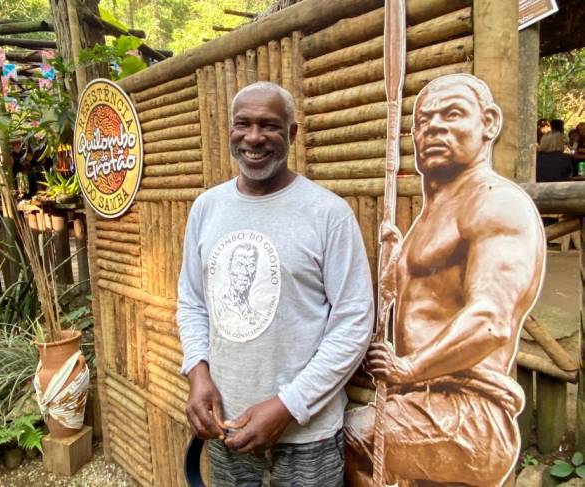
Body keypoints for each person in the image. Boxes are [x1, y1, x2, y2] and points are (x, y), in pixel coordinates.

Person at [343, 74, 545, 486]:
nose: (434, 127)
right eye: (424, 121)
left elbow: (490, 321)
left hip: (468, 412)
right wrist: (393, 276)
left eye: (452, 114)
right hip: (424, 403)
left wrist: (408, 367)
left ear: (488, 122)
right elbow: (432, 303)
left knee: (348, 438)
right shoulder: (434, 213)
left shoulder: (495, 203)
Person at [177, 81, 374, 487]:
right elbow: (193, 302)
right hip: (226, 424)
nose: (253, 137)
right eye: (242, 124)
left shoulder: (328, 214)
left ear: (292, 134)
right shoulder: (206, 208)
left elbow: (355, 320)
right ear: (230, 130)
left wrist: (288, 406)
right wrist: (197, 373)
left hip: (307, 434)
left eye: (268, 125)